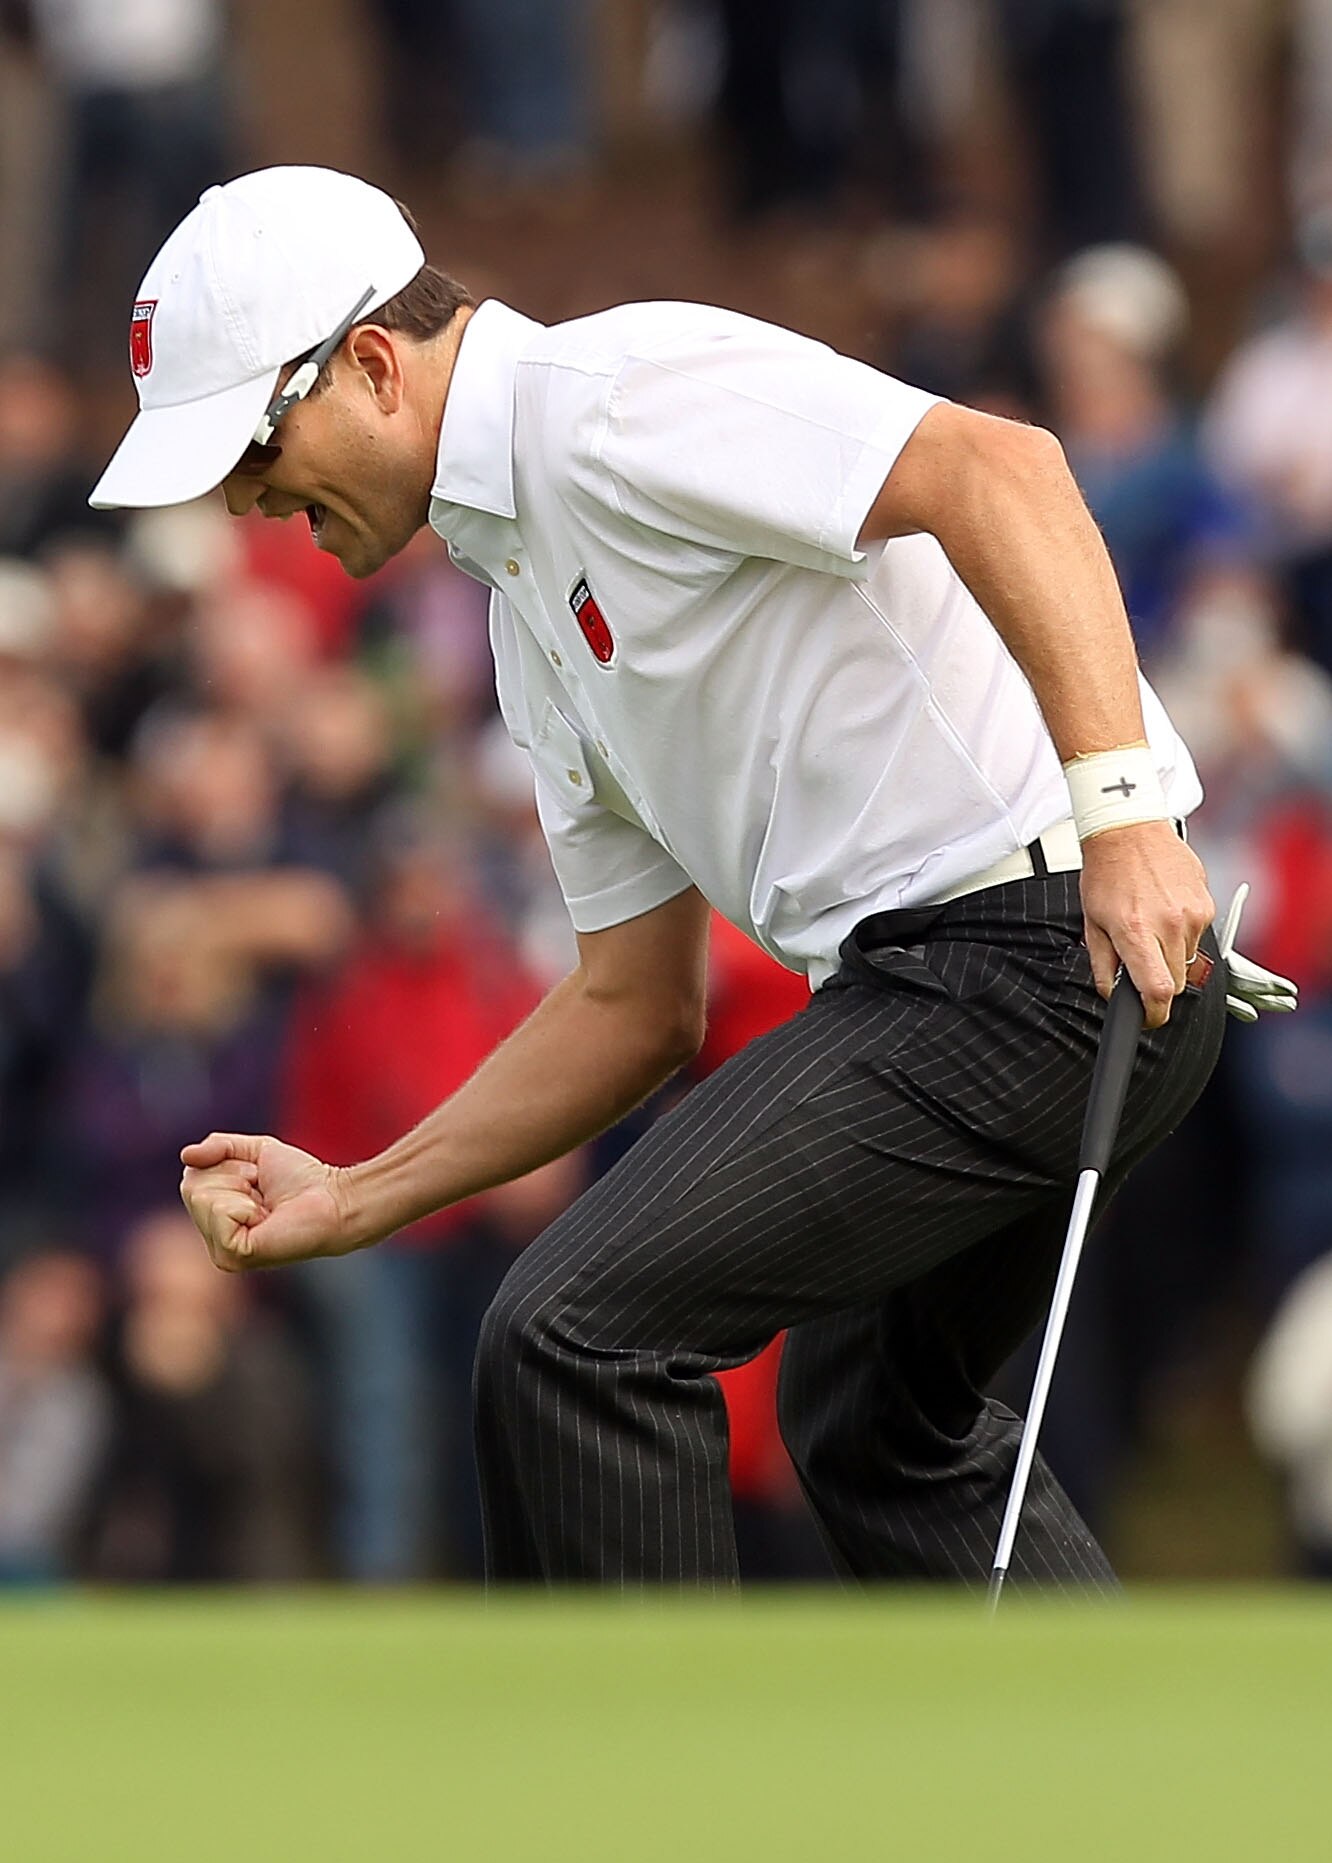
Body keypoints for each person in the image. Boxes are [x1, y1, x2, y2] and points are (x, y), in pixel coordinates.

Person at [91, 166, 1294, 1589]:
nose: (239, 497)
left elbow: (1000, 469)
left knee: (575, 1339)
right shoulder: (522, 609)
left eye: (252, 443)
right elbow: (632, 1003)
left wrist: (1128, 820)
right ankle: (1125, 1813)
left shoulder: (611, 394)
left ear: (371, 365)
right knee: (873, 1427)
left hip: (1049, 944)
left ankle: (661, 1810)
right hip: (955, 976)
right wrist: (361, 1195)